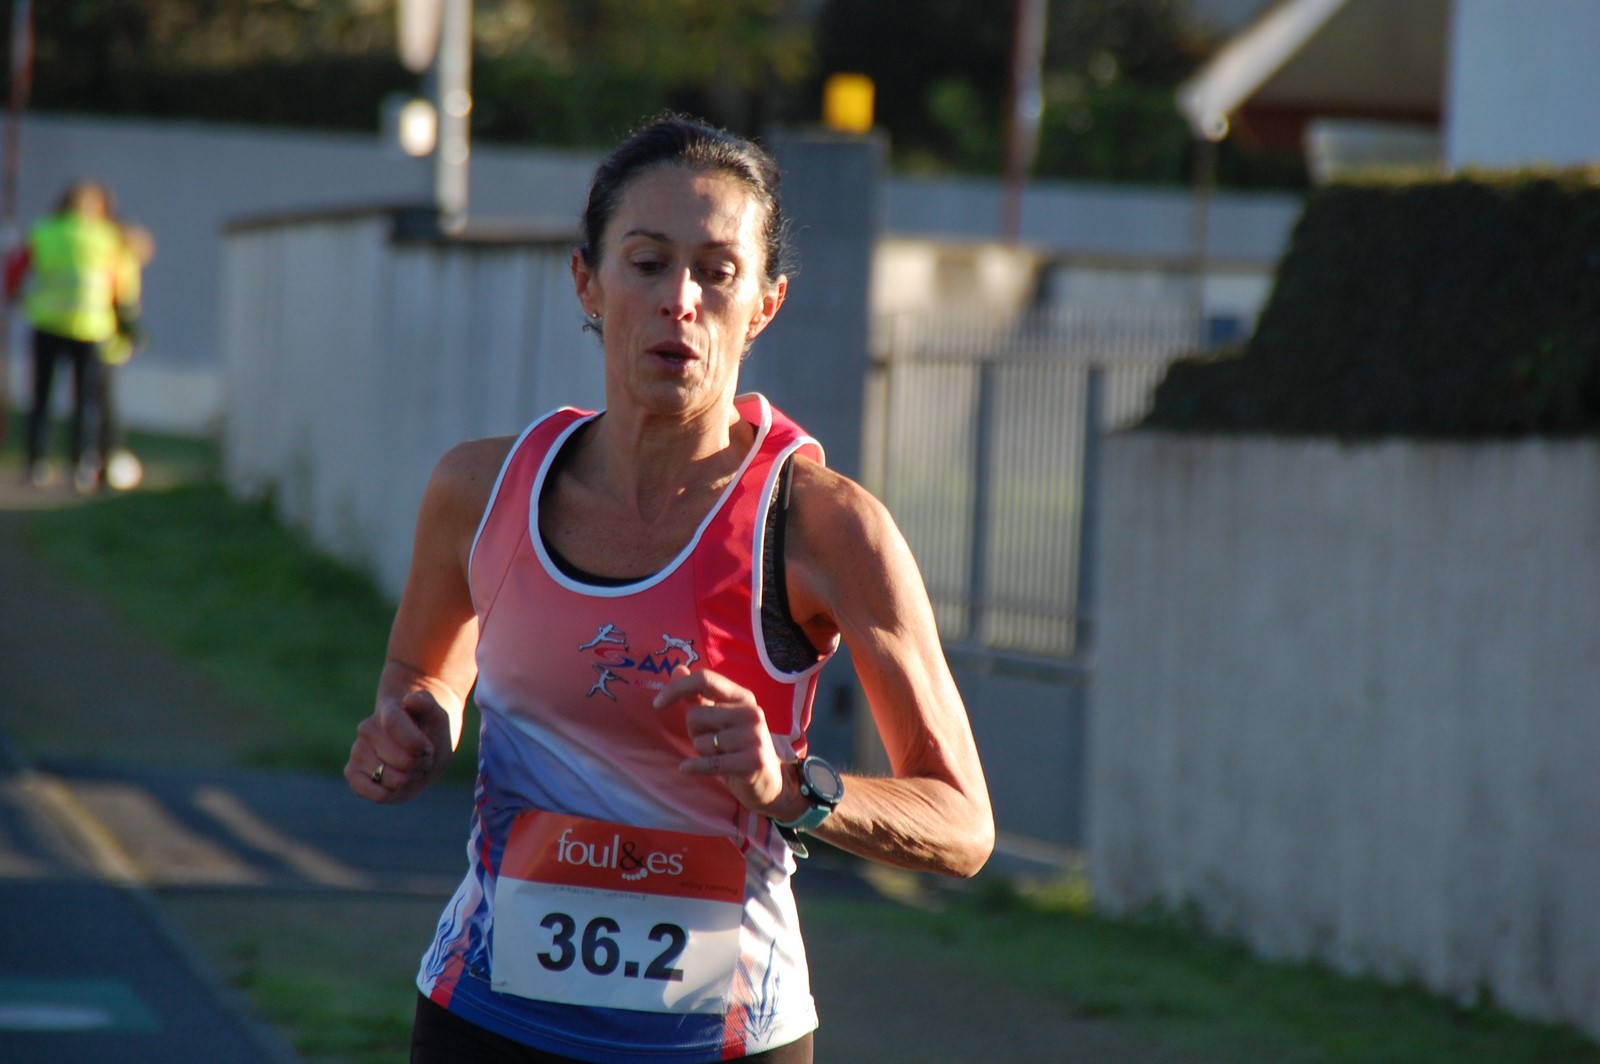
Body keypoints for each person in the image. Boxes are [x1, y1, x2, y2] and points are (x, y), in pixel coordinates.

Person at [345, 114, 994, 1063]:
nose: (679, 301)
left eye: (716, 272)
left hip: (721, 1039)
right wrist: (413, 731)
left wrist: (790, 788)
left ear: (765, 304)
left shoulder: (823, 527)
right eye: (647, 264)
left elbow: (961, 823)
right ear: (588, 281)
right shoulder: (479, 490)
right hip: (487, 1016)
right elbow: (423, 674)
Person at [5, 179, 126, 492]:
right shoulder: (106, 236)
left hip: (47, 323)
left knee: (41, 398)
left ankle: (37, 464)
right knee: (85, 401)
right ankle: (81, 466)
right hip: (91, 327)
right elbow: (120, 282)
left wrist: (22, 301)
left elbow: (14, 272)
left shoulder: (43, 232)